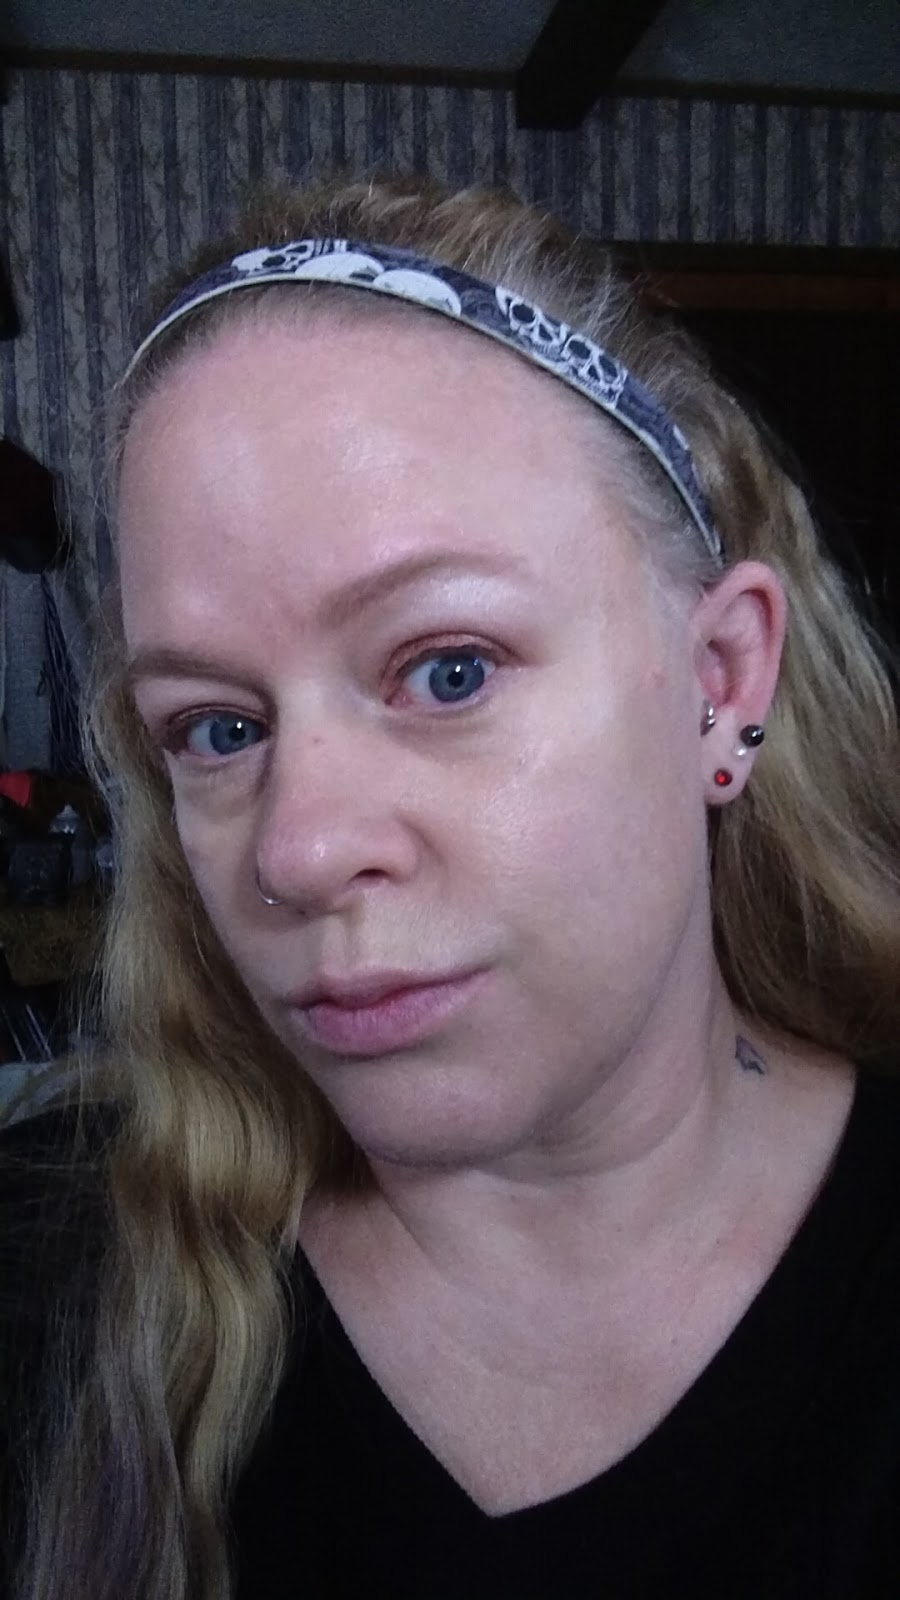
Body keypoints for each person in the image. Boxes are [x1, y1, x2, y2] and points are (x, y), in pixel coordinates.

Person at [1, 174, 899, 1600]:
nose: (298, 852)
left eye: (449, 669)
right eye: (219, 729)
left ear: (720, 681)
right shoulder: (49, 1278)